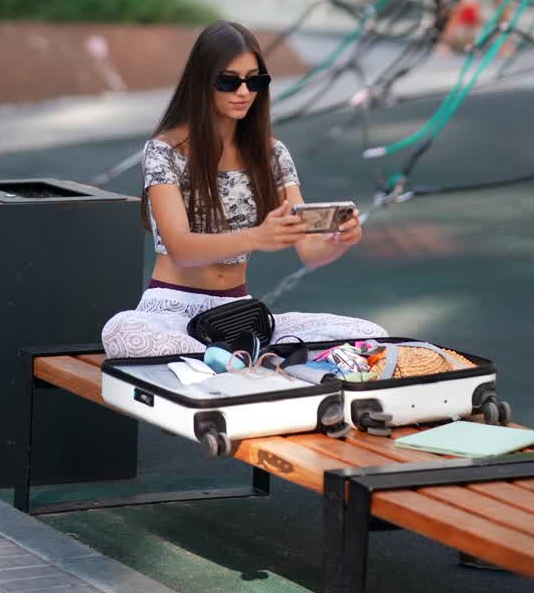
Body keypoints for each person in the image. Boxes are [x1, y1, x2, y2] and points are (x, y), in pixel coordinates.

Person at [102, 21, 385, 358]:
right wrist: (255, 237)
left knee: (370, 335)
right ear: (203, 82)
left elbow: (310, 251)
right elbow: (180, 248)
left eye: (255, 81)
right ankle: (237, 362)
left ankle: (230, 361)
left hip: (241, 316)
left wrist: (338, 241)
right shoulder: (165, 150)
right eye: (229, 81)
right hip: (172, 314)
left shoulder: (272, 154)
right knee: (121, 331)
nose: (243, 92)